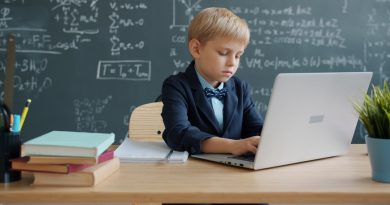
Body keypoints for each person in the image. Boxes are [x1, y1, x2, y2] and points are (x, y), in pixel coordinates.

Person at [161, 7, 263, 156]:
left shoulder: (241, 88)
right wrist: (232, 145)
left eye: (238, 56)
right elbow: (178, 133)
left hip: (234, 171)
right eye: (223, 53)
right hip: (192, 171)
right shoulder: (176, 86)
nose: (232, 63)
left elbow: (256, 128)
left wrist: (268, 138)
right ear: (196, 49)